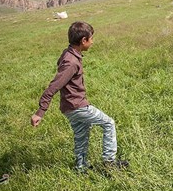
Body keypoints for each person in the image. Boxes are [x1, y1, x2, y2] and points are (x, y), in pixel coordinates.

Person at [30, 21, 129, 173]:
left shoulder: (69, 53)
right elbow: (54, 86)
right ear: (83, 41)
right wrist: (40, 111)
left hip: (69, 108)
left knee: (82, 135)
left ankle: (81, 167)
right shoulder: (71, 62)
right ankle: (109, 162)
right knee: (109, 123)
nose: (93, 42)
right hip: (77, 106)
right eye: (91, 38)